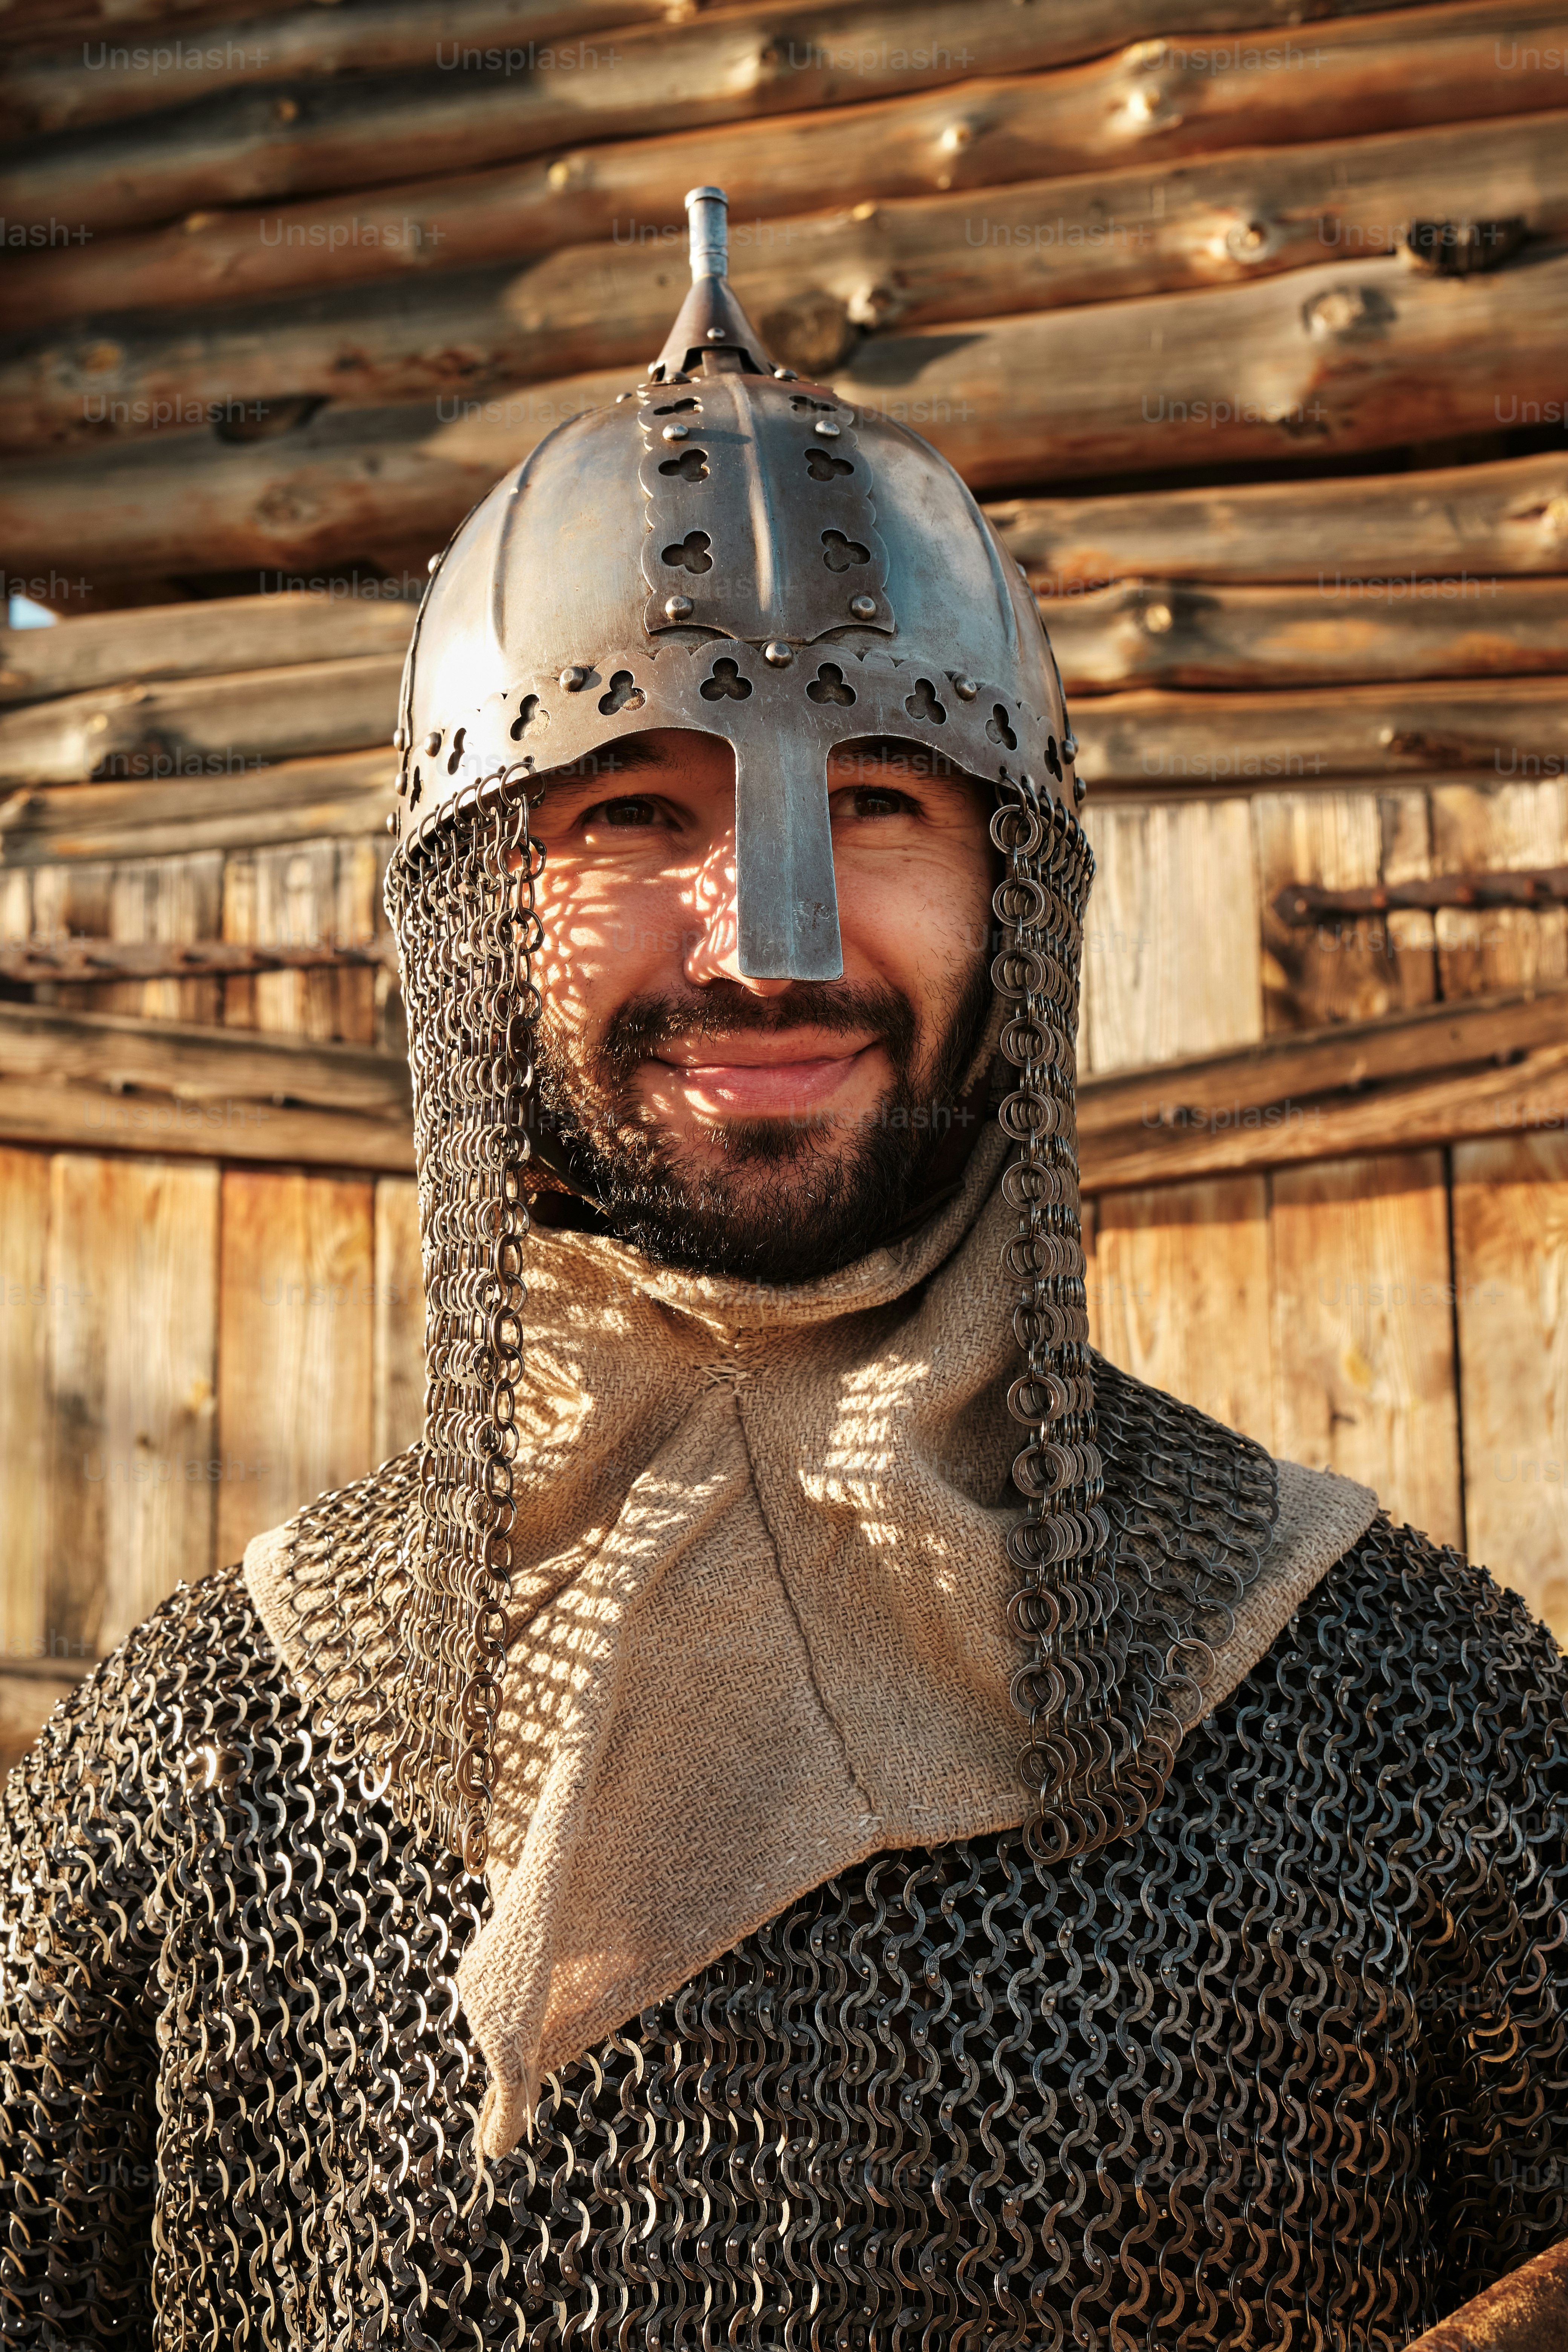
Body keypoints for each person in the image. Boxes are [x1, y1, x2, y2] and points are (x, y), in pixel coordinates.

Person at [3, 190, 1564, 2352]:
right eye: (634, 811)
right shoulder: (195, 1776)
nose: (772, 939)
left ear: (1017, 895)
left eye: (890, 806)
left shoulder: (1397, 1713)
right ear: (460, 918)